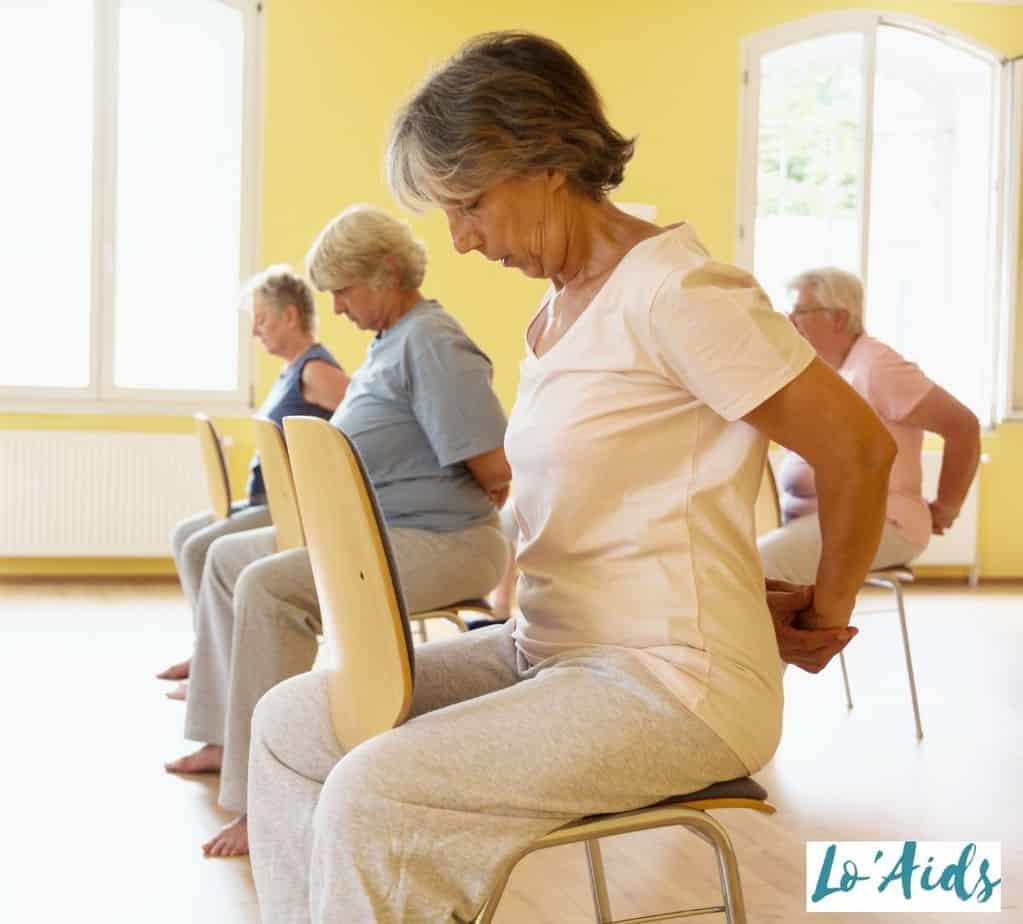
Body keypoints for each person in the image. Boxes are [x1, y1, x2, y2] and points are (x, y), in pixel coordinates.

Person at [246, 32, 896, 924]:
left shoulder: (680, 292)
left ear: (544, 158)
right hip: (548, 649)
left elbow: (859, 449)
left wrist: (821, 613)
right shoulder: (554, 315)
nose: (462, 241)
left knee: (376, 795)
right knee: (288, 725)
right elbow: (613, 503)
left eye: (469, 204)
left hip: (671, 683)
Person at [166, 205, 512, 859]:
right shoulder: (391, 342)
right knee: (230, 559)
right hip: (388, 531)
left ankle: (260, 801)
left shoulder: (433, 341)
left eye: (343, 291)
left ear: (385, 271)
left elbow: (494, 468)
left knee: (269, 586)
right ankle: (222, 735)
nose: (338, 307)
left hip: (448, 542)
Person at [159, 267, 348, 694]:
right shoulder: (291, 369)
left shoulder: (317, 370)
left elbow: (363, 423)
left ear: (290, 316)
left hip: (290, 507)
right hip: (266, 500)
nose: (256, 332)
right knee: (187, 535)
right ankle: (209, 655)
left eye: (262, 320)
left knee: (200, 546)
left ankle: (216, 673)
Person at [758, 267, 981, 585]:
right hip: (823, 520)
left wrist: (947, 507)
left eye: (801, 312)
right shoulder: (829, 369)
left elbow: (963, 425)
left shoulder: (877, 365)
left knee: (758, 567)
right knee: (736, 563)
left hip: (882, 522)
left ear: (838, 317)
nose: (790, 322)